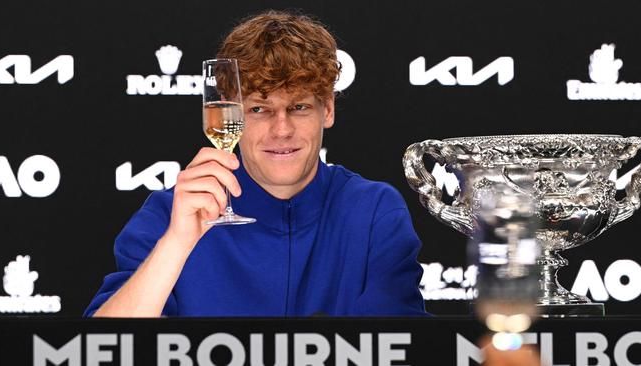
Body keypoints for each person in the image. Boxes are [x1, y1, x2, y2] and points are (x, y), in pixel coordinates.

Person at [85, 10, 425, 317]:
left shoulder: (375, 211)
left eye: (299, 107)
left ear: (329, 109)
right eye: (259, 109)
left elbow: (399, 347)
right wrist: (176, 243)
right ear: (232, 113)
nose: (282, 130)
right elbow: (103, 350)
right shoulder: (170, 212)